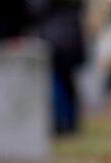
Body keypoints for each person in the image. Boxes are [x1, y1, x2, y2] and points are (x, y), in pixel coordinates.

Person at [35, 0, 86, 133]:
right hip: (72, 38)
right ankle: (71, 122)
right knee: (68, 83)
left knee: (56, 83)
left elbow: (36, 10)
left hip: (53, 39)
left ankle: (60, 122)